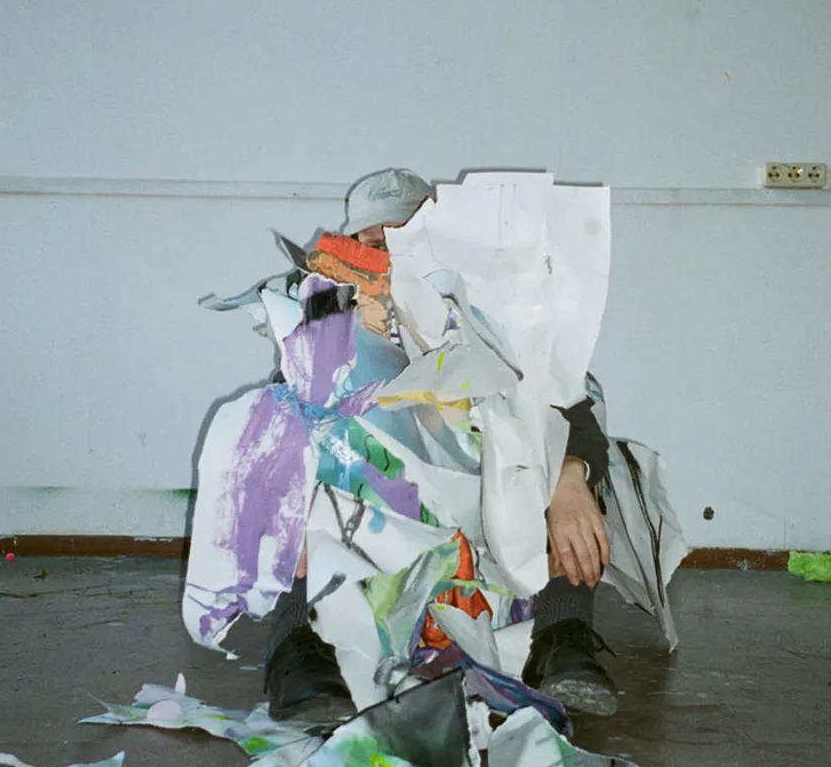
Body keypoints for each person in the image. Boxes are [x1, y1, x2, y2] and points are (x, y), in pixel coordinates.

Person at [262, 168, 620, 722]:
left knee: (571, 468)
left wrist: (571, 476)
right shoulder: (325, 337)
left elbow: (574, 406)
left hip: (486, 555)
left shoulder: (491, 322)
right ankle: (297, 652)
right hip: (375, 555)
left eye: (406, 240)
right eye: (374, 244)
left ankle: (561, 638)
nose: (390, 258)